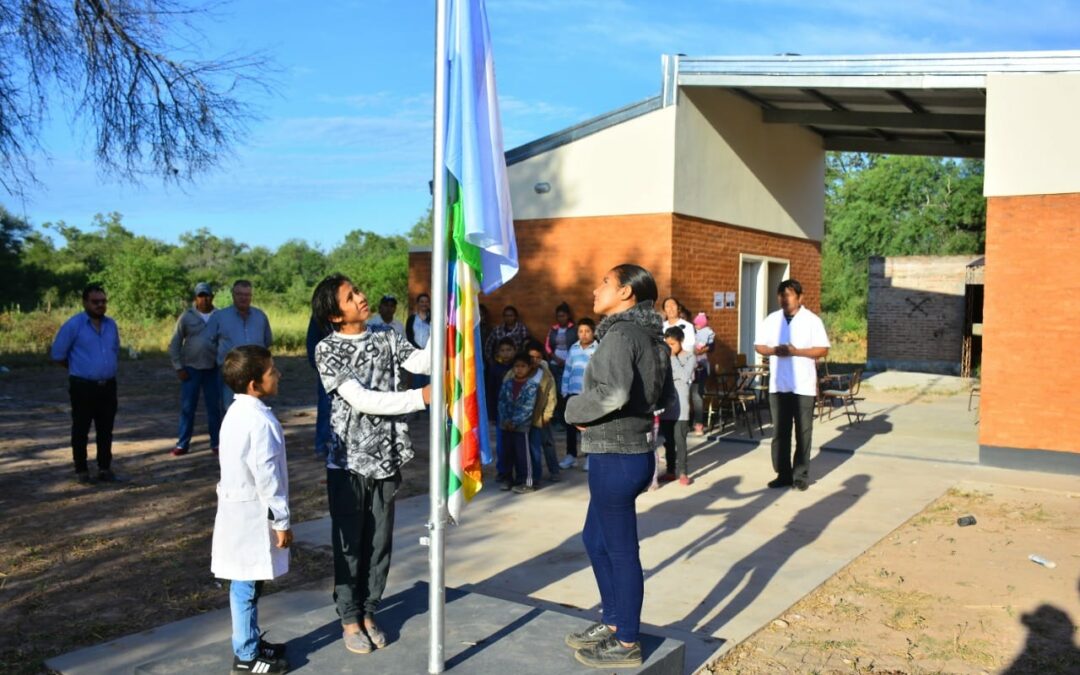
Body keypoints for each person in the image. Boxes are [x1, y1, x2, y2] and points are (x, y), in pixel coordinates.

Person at [310, 274, 432, 655]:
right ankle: (348, 618)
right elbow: (363, 400)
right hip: (347, 463)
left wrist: (453, 320)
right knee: (350, 546)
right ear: (334, 315)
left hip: (386, 457)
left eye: (358, 291)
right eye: (351, 297)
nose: (362, 297)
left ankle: (368, 611)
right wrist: (420, 398)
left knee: (379, 543)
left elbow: (422, 360)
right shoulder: (327, 350)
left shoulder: (386, 334)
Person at [564, 264, 669, 669]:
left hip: (618, 454)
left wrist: (574, 409)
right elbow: (662, 397)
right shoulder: (649, 336)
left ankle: (626, 642)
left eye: (604, 283)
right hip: (631, 451)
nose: (595, 289)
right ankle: (612, 623)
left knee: (622, 551)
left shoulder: (621, 334)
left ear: (625, 293)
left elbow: (615, 392)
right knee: (595, 539)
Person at [210, 345, 291, 674]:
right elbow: (267, 475)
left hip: (241, 513)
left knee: (250, 582)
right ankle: (245, 657)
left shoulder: (240, 412)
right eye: (272, 371)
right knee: (244, 586)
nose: (278, 374)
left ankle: (252, 641)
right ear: (254, 384)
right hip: (252, 516)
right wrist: (281, 520)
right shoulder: (256, 420)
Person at [754, 279, 830, 491]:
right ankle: (783, 473)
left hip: (803, 386)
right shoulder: (772, 319)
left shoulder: (812, 320)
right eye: (781, 295)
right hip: (779, 385)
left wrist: (797, 352)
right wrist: (773, 350)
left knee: (803, 431)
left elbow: (823, 349)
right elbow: (759, 345)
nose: (784, 299)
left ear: (799, 297)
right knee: (780, 431)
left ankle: (801, 475)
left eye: (789, 295)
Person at [50, 284, 121, 483]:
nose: (100, 305)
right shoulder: (74, 325)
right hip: (82, 386)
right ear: (85, 302)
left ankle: (104, 468)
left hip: (107, 385)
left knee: (106, 428)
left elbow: (115, 350)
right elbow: (57, 354)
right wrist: (79, 369)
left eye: (103, 301)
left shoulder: (111, 325)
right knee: (81, 428)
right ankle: (81, 469)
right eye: (95, 302)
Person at [168, 282, 222, 456]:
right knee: (187, 408)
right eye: (200, 296)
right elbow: (175, 343)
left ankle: (217, 443)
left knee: (214, 408)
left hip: (213, 369)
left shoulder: (220, 316)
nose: (204, 299)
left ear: (212, 297)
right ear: (195, 298)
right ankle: (183, 443)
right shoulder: (186, 317)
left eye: (207, 295)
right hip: (191, 369)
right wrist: (178, 367)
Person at [206, 280, 273, 410]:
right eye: (239, 294)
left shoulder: (260, 316)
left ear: (251, 296)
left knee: (257, 411)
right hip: (231, 374)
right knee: (231, 411)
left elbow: (267, 341)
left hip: (256, 374)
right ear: (233, 295)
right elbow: (209, 343)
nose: (243, 298)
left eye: (247, 295)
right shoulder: (219, 317)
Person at [659, 326, 696, 486]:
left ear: (681, 341)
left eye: (672, 344)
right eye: (667, 344)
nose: (670, 347)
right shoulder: (664, 358)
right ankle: (670, 470)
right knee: (668, 441)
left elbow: (684, 375)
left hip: (682, 406)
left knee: (680, 440)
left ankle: (683, 472)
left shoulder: (690, 357)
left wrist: (672, 357)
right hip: (667, 405)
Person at [558, 318, 597, 470]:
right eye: (581, 331)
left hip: (589, 394)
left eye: (587, 331)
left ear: (593, 332)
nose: (584, 334)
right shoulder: (573, 349)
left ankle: (589, 457)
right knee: (571, 426)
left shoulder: (598, 348)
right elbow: (567, 370)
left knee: (588, 427)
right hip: (573, 393)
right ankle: (571, 456)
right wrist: (564, 389)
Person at [497, 353, 539, 492]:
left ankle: (526, 482)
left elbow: (528, 407)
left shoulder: (532, 386)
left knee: (523, 455)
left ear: (529, 368)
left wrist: (514, 421)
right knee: (507, 453)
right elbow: (501, 402)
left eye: (523, 366)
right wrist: (506, 420)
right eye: (516, 366)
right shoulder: (507, 383)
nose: (519, 369)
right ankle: (508, 479)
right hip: (506, 425)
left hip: (521, 426)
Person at [524, 340, 559, 489]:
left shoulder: (545, 373)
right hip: (524, 416)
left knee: (547, 443)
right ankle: (529, 474)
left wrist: (547, 415)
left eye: (538, 357)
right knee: (529, 447)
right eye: (531, 357)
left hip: (541, 416)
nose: (534, 360)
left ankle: (554, 470)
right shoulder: (519, 370)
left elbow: (552, 395)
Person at [486, 337, 517, 483]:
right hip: (500, 412)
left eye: (509, 350)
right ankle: (503, 471)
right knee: (502, 444)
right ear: (498, 352)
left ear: (514, 351)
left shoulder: (519, 367)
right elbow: (491, 392)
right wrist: (491, 413)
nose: (506, 353)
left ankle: (519, 471)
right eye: (503, 350)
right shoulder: (494, 368)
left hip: (518, 411)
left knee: (517, 444)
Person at [305, 314, 333, 460]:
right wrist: (317, 364)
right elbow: (312, 341)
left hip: (351, 366)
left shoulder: (350, 310)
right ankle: (322, 445)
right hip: (327, 368)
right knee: (325, 407)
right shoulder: (319, 316)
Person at [544, 302, 575, 423]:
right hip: (554, 364)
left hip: (569, 364)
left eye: (563, 315)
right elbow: (547, 346)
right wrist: (554, 357)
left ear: (568, 316)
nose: (561, 318)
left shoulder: (574, 329)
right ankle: (557, 418)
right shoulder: (553, 329)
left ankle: (566, 418)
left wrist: (567, 360)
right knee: (555, 391)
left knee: (566, 391)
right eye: (559, 316)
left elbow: (576, 345)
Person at [690, 312, 716, 435]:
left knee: (697, 395)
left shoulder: (705, 332)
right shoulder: (690, 332)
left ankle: (698, 424)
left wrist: (699, 350)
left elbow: (711, 346)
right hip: (686, 366)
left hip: (700, 367)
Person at [405, 293, 431, 389]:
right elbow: (409, 336)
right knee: (417, 384)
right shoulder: (412, 319)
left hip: (430, 355)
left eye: (426, 302)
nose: (424, 304)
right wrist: (418, 350)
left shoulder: (433, 318)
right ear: (417, 304)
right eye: (421, 302)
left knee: (429, 383)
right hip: (417, 355)